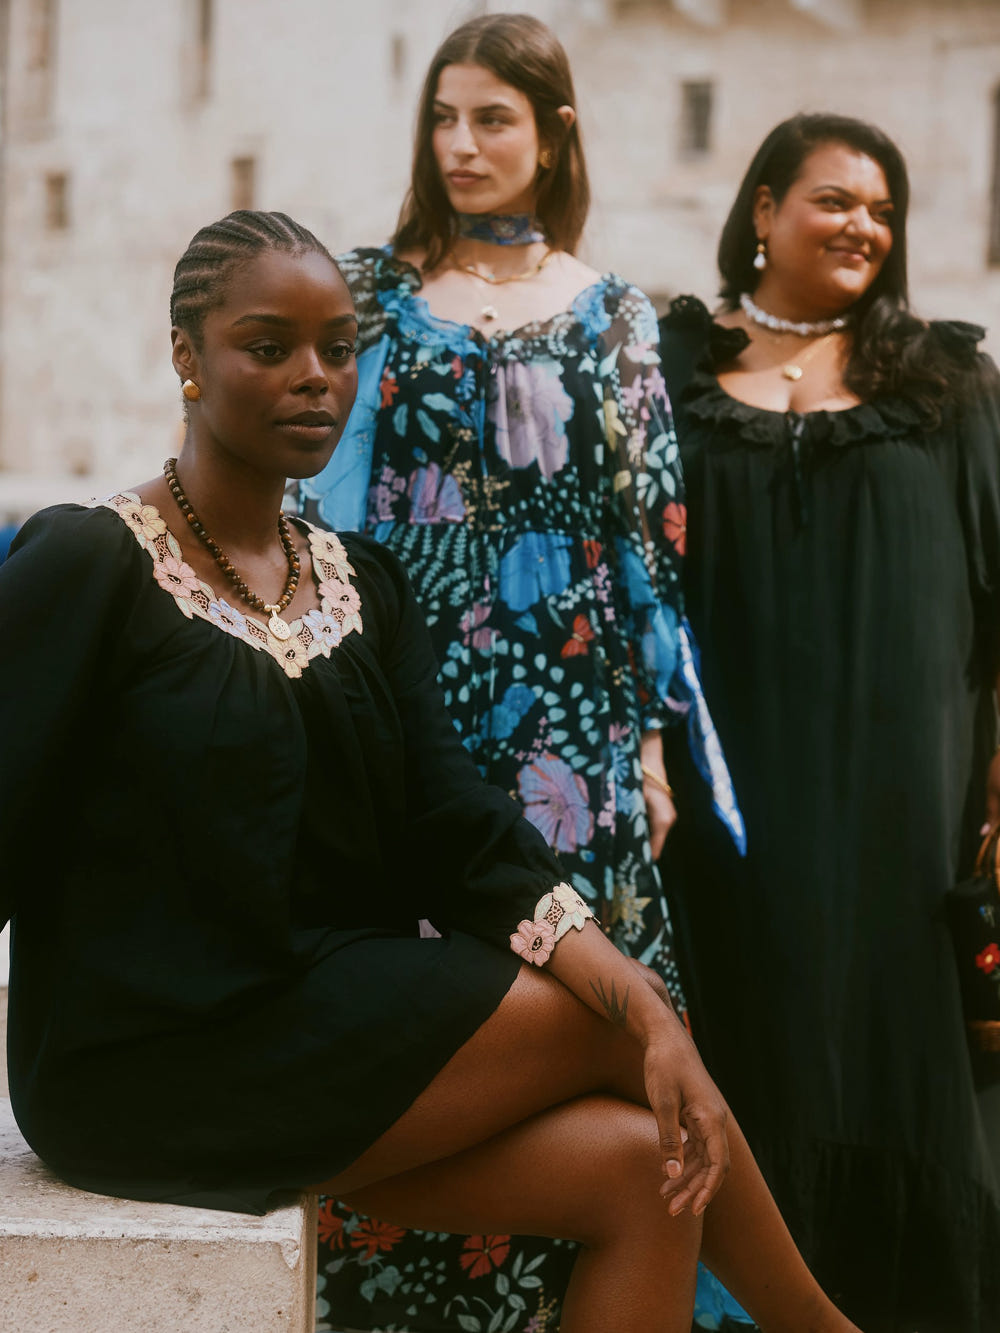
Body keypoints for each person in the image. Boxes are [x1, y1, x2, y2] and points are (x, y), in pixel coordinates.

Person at [0, 208, 866, 1333]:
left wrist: (629, 989)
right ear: (186, 360)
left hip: (321, 1020)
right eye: (268, 347)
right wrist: (649, 1013)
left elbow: (454, 827)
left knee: (639, 1170)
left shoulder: (365, 582)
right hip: (147, 1061)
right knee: (628, 1023)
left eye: (338, 347)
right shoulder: (92, 562)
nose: (315, 377)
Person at [298, 17, 745, 1327]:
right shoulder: (371, 296)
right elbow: (323, 511)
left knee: (597, 1045)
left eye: (492, 118)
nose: (461, 145)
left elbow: (650, 536)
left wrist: (657, 745)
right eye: (444, 118)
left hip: (575, 743)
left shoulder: (614, 314)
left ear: (553, 133)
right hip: (411, 728)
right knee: (425, 1040)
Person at [657, 113, 1000, 1333]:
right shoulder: (671, 374)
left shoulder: (948, 385)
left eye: (881, 208)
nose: (863, 225)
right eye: (833, 199)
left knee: (899, 1078)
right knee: (748, 1053)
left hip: (905, 827)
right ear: (760, 209)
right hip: (726, 821)